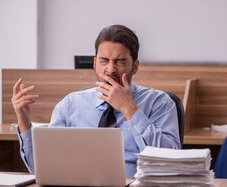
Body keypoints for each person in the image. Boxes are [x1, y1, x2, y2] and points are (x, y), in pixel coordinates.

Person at [11, 25, 181, 176]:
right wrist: (24, 122)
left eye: (120, 61)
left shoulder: (160, 103)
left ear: (134, 66)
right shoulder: (70, 105)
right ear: (94, 63)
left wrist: (129, 109)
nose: (110, 69)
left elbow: (172, 161)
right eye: (104, 60)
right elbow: (41, 170)